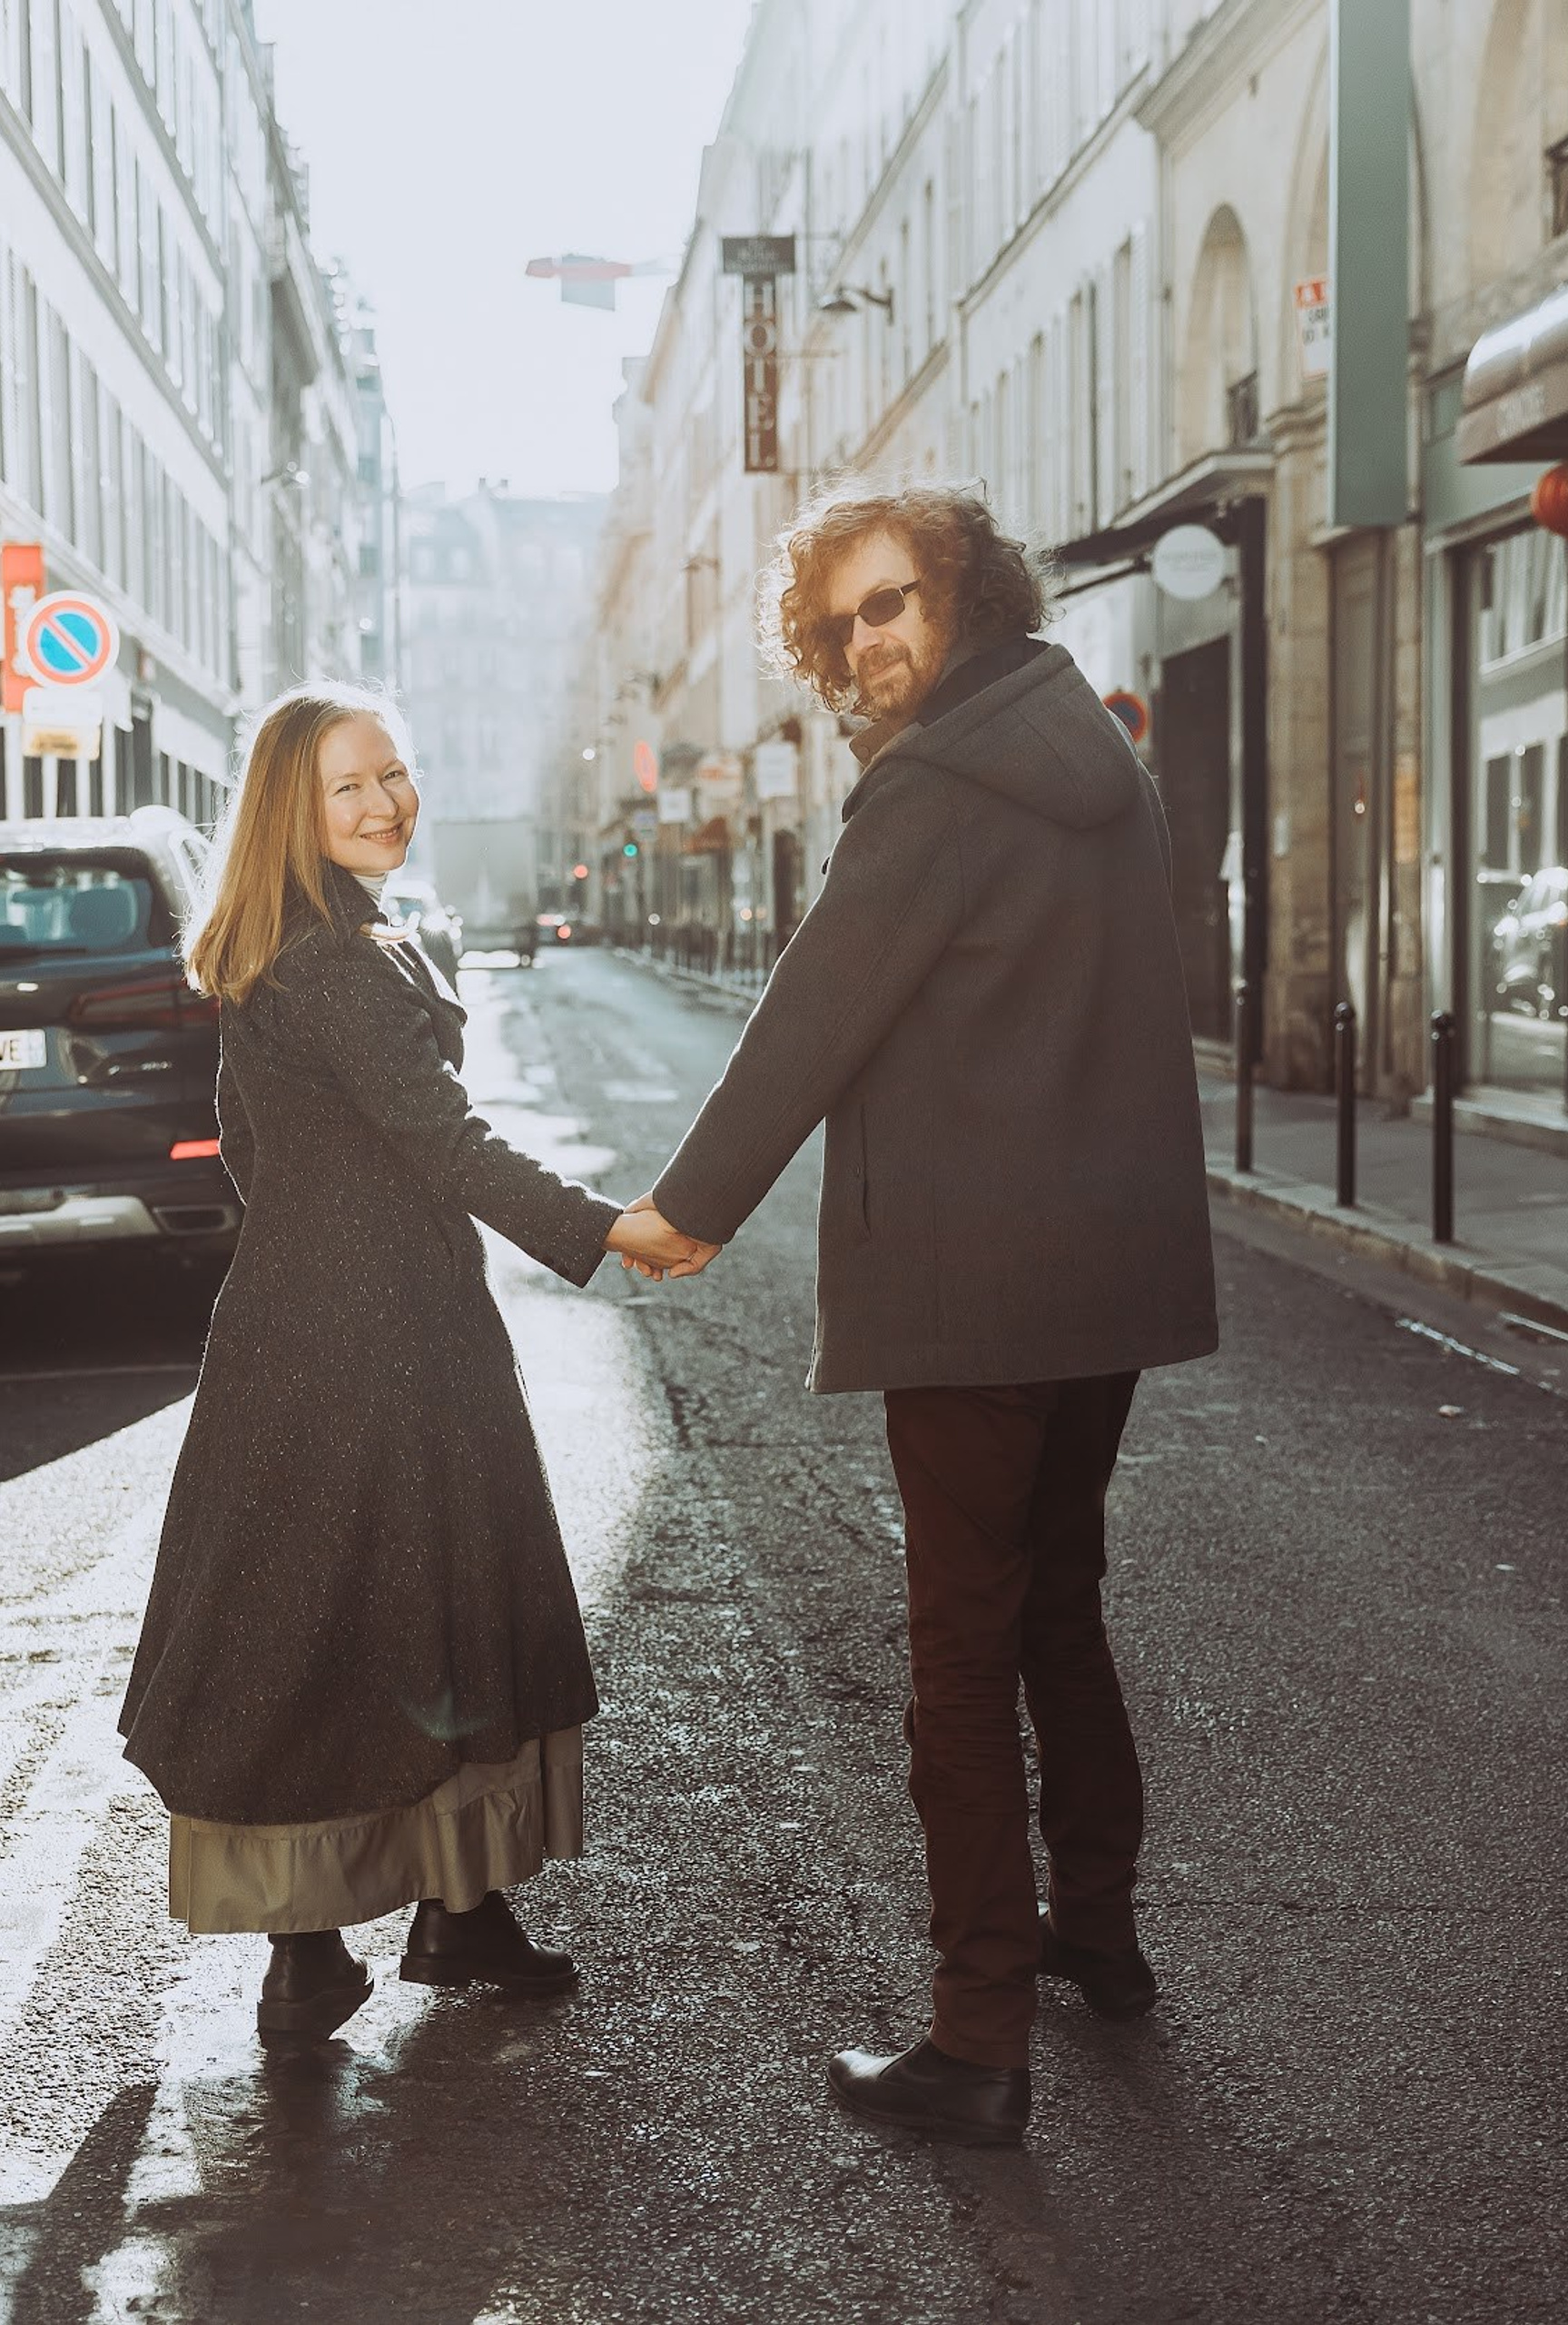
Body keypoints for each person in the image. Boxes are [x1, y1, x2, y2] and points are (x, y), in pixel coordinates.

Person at [628, 482, 1219, 2144]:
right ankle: (1098, 1933)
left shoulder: (937, 789)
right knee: (1060, 1607)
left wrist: (685, 1216)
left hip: (970, 1287)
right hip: (1097, 1282)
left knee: (960, 1654)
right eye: (841, 624)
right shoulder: (1097, 757)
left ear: (967, 594)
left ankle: (976, 2039)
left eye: (894, 604)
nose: (868, 642)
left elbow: (811, 1020)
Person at [119, 680, 701, 2045]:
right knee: (410, 1606)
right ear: (292, 813)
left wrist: (331, 1244)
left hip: (312, 1324)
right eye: (351, 787)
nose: (387, 802)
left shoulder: (303, 940)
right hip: (378, 1339)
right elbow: (446, 1139)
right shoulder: (331, 955)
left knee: (329, 1616)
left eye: (396, 772)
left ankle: (393, 1930)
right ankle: (404, 1928)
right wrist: (607, 1227)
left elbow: (251, 1154)